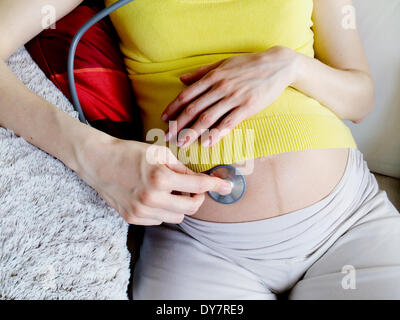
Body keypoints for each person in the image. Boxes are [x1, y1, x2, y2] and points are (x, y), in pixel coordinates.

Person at [0, 0, 399, 299]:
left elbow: (359, 98)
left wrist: (291, 66)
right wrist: (94, 155)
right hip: (199, 248)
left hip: (350, 224)